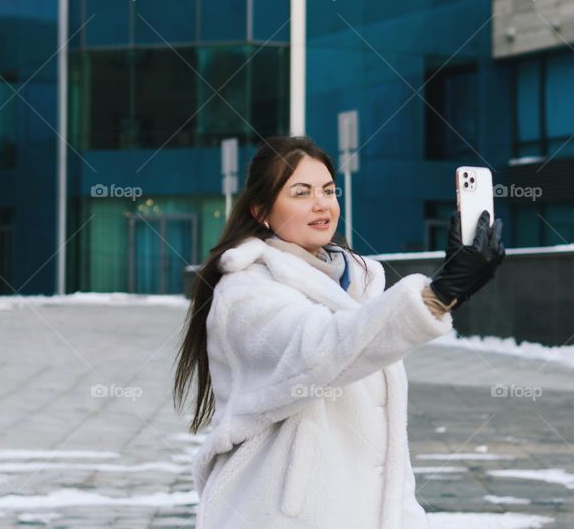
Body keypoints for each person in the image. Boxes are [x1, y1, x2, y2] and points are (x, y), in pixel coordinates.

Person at [173, 136, 504, 528]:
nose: (321, 204)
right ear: (261, 211)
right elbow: (319, 347)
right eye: (301, 192)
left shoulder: (357, 285)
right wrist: (437, 295)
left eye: (328, 190)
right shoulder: (245, 293)